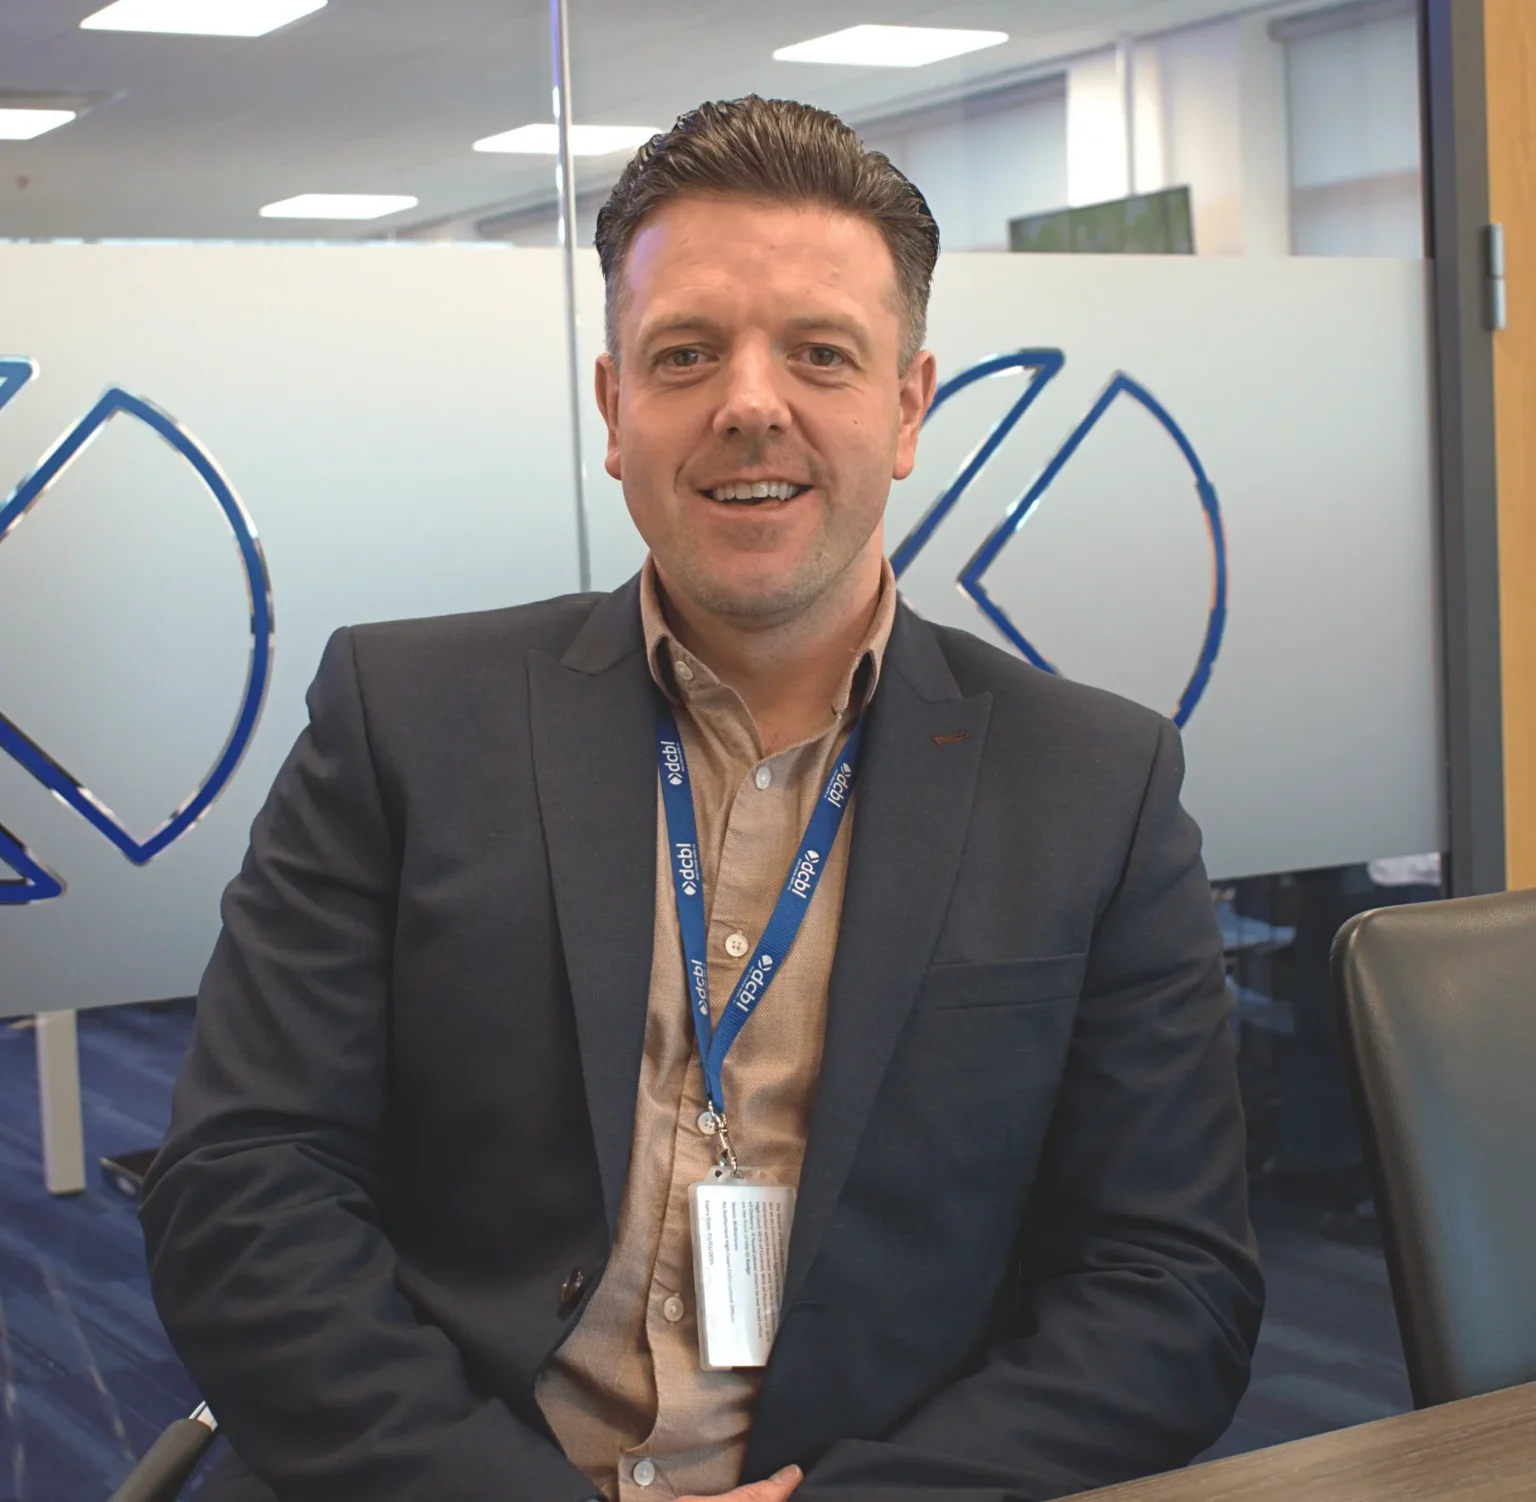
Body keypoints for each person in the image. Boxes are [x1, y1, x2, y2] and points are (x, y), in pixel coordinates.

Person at [140, 96, 1263, 1502]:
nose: (749, 403)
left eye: (820, 354)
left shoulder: (1095, 784)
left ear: (908, 408)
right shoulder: (402, 719)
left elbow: (1171, 1283)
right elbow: (242, 1187)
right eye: (685, 354)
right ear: (616, 409)